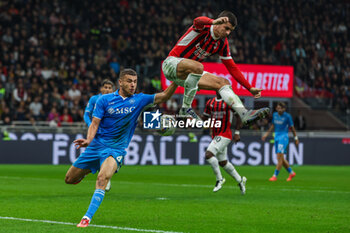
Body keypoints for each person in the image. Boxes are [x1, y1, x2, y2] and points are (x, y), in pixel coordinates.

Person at [65, 69, 178, 227]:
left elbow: (165, 95)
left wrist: (177, 81)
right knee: (69, 179)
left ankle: (86, 218)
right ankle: (89, 169)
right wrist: (88, 140)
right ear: (121, 82)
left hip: (116, 149)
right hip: (96, 146)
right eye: (129, 81)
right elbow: (95, 123)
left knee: (102, 179)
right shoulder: (104, 100)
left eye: (135, 81)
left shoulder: (140, 99)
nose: (133, 85)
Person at [162, 10, 269, 125]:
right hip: (171, 63)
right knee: (199, 67)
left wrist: (249, 88)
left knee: (223, 82)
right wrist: (213, 21)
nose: (228, 33)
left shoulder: (222, 43)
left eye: (230, 31)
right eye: (226, 28)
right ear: (218, 23)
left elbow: (232, 67)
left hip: (187, 74)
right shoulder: (204, 27)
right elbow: (197, 21)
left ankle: (244, 113)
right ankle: (186, 108)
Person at [202, 92, 246, 194]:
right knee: (223, 162)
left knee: (208, 154)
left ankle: (219, 179)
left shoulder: (229, 102)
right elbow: (204, 118)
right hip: (216, 135)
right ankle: (240, 180)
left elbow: (239, 116)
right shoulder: (210, 102)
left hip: (225, 134)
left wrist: (237, 132)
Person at [82, 79, 114, 191]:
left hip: (108, 134)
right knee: (91, 155)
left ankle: (106, 178)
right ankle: (85, 170)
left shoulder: (115, 101)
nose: (107, 90)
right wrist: (92, 126)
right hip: (95, 133)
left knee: (107, 155)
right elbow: (86, 115)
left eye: (110, 88)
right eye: (105, 87)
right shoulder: (94, 99)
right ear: (101, 88)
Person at [261, 102, 299, 181]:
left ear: (284, 109)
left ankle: (275, 176)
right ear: (276, 108)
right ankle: (291, 173)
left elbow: (292, 128)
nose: (279, 109)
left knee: (279, 158)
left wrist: (296, 138)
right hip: (276, 137)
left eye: (281, 108)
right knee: (281, 158)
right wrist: (266, 134)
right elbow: (273, 126)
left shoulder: (287, 116)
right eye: (278, 108)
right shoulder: (275, 115)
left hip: (283, 137)